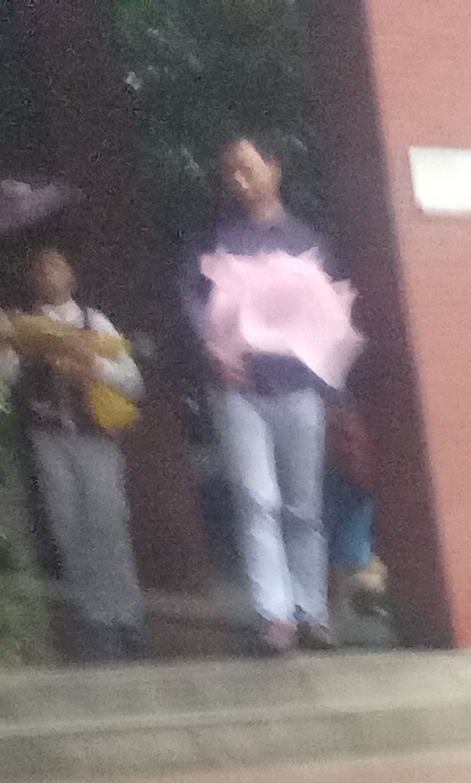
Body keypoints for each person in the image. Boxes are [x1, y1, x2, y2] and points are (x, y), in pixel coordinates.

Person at [196, 135, 353, 652]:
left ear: (273, 167)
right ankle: (275, 616)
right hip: (240, 390)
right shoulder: (219, 241)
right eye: (230, 173)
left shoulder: (307, 239)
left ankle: (312, 612)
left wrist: (333, 391)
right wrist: (215, 349)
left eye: (247, 168)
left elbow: (331, 317)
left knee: (304, 505)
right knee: (257, 500)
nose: (239, 181)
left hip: (298, 389)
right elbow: (196, 308)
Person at [0, 245, 142, 657]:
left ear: (71, 276)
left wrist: (96, 367)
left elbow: (133, 381)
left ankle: (125, 615)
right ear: (33, 280)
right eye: (42, 269)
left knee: (107, 524)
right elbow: (3, 377)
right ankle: (95, 617)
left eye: (57, 267)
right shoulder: (22, 327)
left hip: (94, 435)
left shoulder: (93, 322)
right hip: (49, 438)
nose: (49, 275)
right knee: (68, 525)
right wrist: (1, 342)